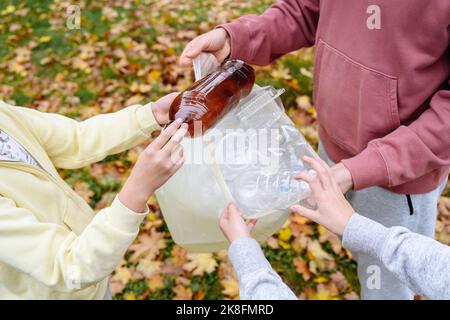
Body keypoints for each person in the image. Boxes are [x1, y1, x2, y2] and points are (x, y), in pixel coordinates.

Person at [181, 0, 450, 299]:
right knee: (351, 235)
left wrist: (359, 169)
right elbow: (305, 11)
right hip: (332, 145)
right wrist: (237, 38)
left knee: (385, 271)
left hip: (396, 177)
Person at [0, 93, 187, 299]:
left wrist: (151, 114)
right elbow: (69, 267)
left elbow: (75, 138)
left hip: (93, 271)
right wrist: (137, 190)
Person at [219, 156, 450, 300]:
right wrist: (354, 226)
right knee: (373, 271)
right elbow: (439, 269)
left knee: (383, 284)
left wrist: (245, 253)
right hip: (337, 148)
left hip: (399, 182)